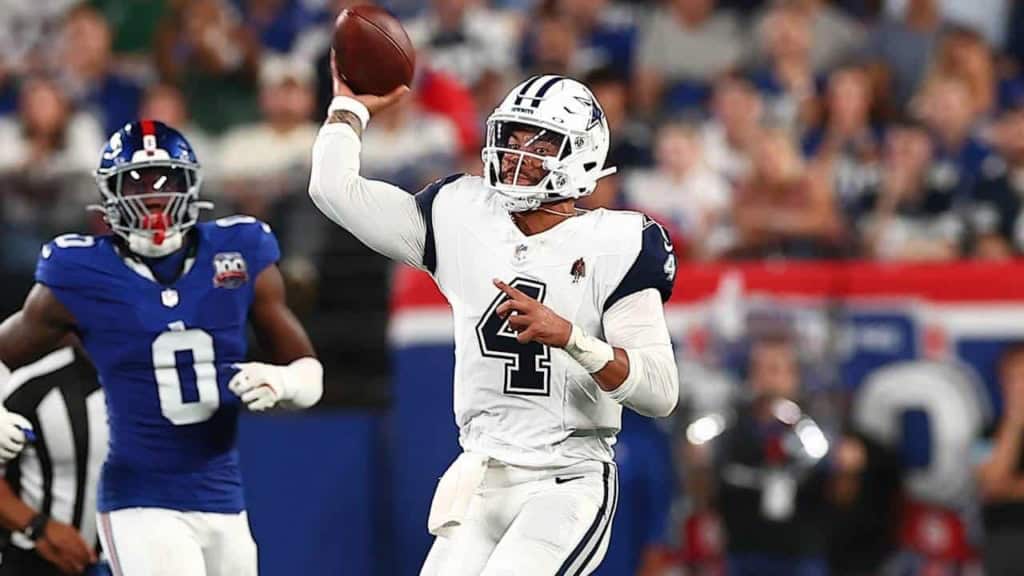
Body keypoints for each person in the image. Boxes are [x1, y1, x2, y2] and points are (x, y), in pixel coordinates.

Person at [309, 64, 680, 573]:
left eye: (542, 144)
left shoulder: (618, 241)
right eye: (513, 136)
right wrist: (348, 109)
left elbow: (659, 392)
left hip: (566, 480)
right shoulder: (461, 211)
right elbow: (334, 190)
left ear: (583, 153)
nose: (518, 154)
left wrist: (573, 339)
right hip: (480, 474)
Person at [0, 120, 323, 576]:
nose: (152, 196)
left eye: (165, 180)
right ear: (108, 196)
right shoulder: (79, 269)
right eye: (134, 184)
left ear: (190, 184)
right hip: (140, 498)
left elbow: (311, 376)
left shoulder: (240, 249)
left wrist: (284, 380)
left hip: (223, 496)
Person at [0, 345, 108, 576]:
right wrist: (37, 526)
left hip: (137, 556)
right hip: (37, 561)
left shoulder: (162, 379)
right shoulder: (32, 385)